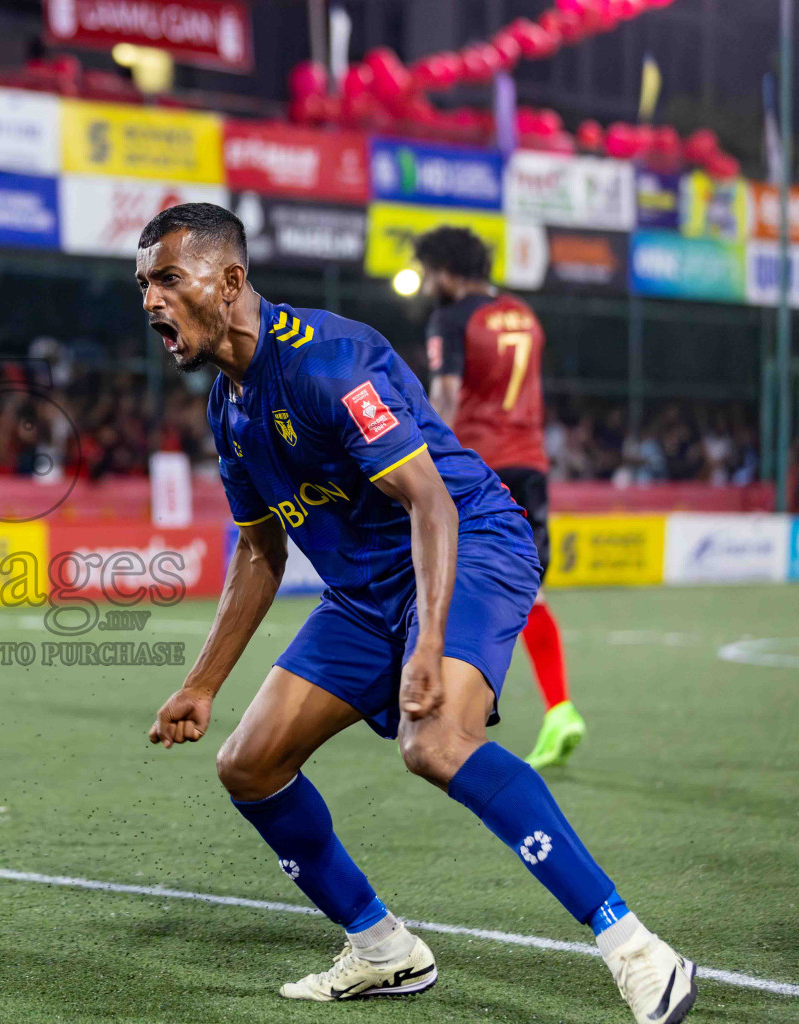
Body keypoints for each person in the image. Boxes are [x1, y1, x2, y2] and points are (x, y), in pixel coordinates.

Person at [137, 203, 694, 1023]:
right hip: (364, 593)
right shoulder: (230, 409)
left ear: (228, 284)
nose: (150, 300)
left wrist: (427, 644)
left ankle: (637, 948)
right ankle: (382, 949)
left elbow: (430, 503)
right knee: (247, 763)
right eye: (143, 283)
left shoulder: (330, 361)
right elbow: (261, 553)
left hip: (470, 544)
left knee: (435, 741)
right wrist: (201, 683)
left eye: (167, 280)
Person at [415, 226, 586, 770]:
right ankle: (559, 708)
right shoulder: (524, 315)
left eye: (426, 272)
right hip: (530, 462)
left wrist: (418, 455)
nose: (424, 284)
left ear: (445, 269)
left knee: (447, 576)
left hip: (479, 466)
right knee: (526, 588)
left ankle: (454, 706)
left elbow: (445, 394)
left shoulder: (451, 317)